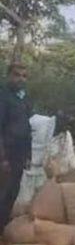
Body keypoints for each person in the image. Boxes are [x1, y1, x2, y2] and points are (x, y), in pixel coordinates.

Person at [18, 111, 75, 205]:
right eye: (66, 123)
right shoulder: (39, 122)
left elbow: (71, 157)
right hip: (26, 169)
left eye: (69, 126)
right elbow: (19, 132)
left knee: (39, 203)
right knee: (23, 202)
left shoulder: (66, 137)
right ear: (59, 119)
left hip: (42, 172)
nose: (67, 128)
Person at [0, 63, 32, 232]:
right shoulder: (3, 96)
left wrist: (29, 155)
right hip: (6, 154)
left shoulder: (23, 98)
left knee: (12, 192)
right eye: (17, 75)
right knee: (3, 192)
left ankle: (2, 228)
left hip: (19, 154)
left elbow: (27, 127)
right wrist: (2, 158)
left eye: (24, 76)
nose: (21, 79)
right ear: (8, 76)